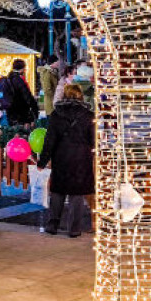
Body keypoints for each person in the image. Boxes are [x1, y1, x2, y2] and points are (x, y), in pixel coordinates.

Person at [38, 84, 96, 237]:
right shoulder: (89, 115)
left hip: (61, 156)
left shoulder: (56, 114)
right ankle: (74, 229)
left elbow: (49, 140)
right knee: (77, 194)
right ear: (80, 96)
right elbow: (94, 140)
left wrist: (42, 161)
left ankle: (52, 225)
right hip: (81, 158)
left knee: (58, 191)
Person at [0, 59, 39, 128]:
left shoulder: (8, 79)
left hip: (10, 113)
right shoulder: (19, 80)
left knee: (11, 133)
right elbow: (27, 97)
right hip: (21, 113)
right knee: (21, 134)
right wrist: (35, 109)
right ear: (23, 69)